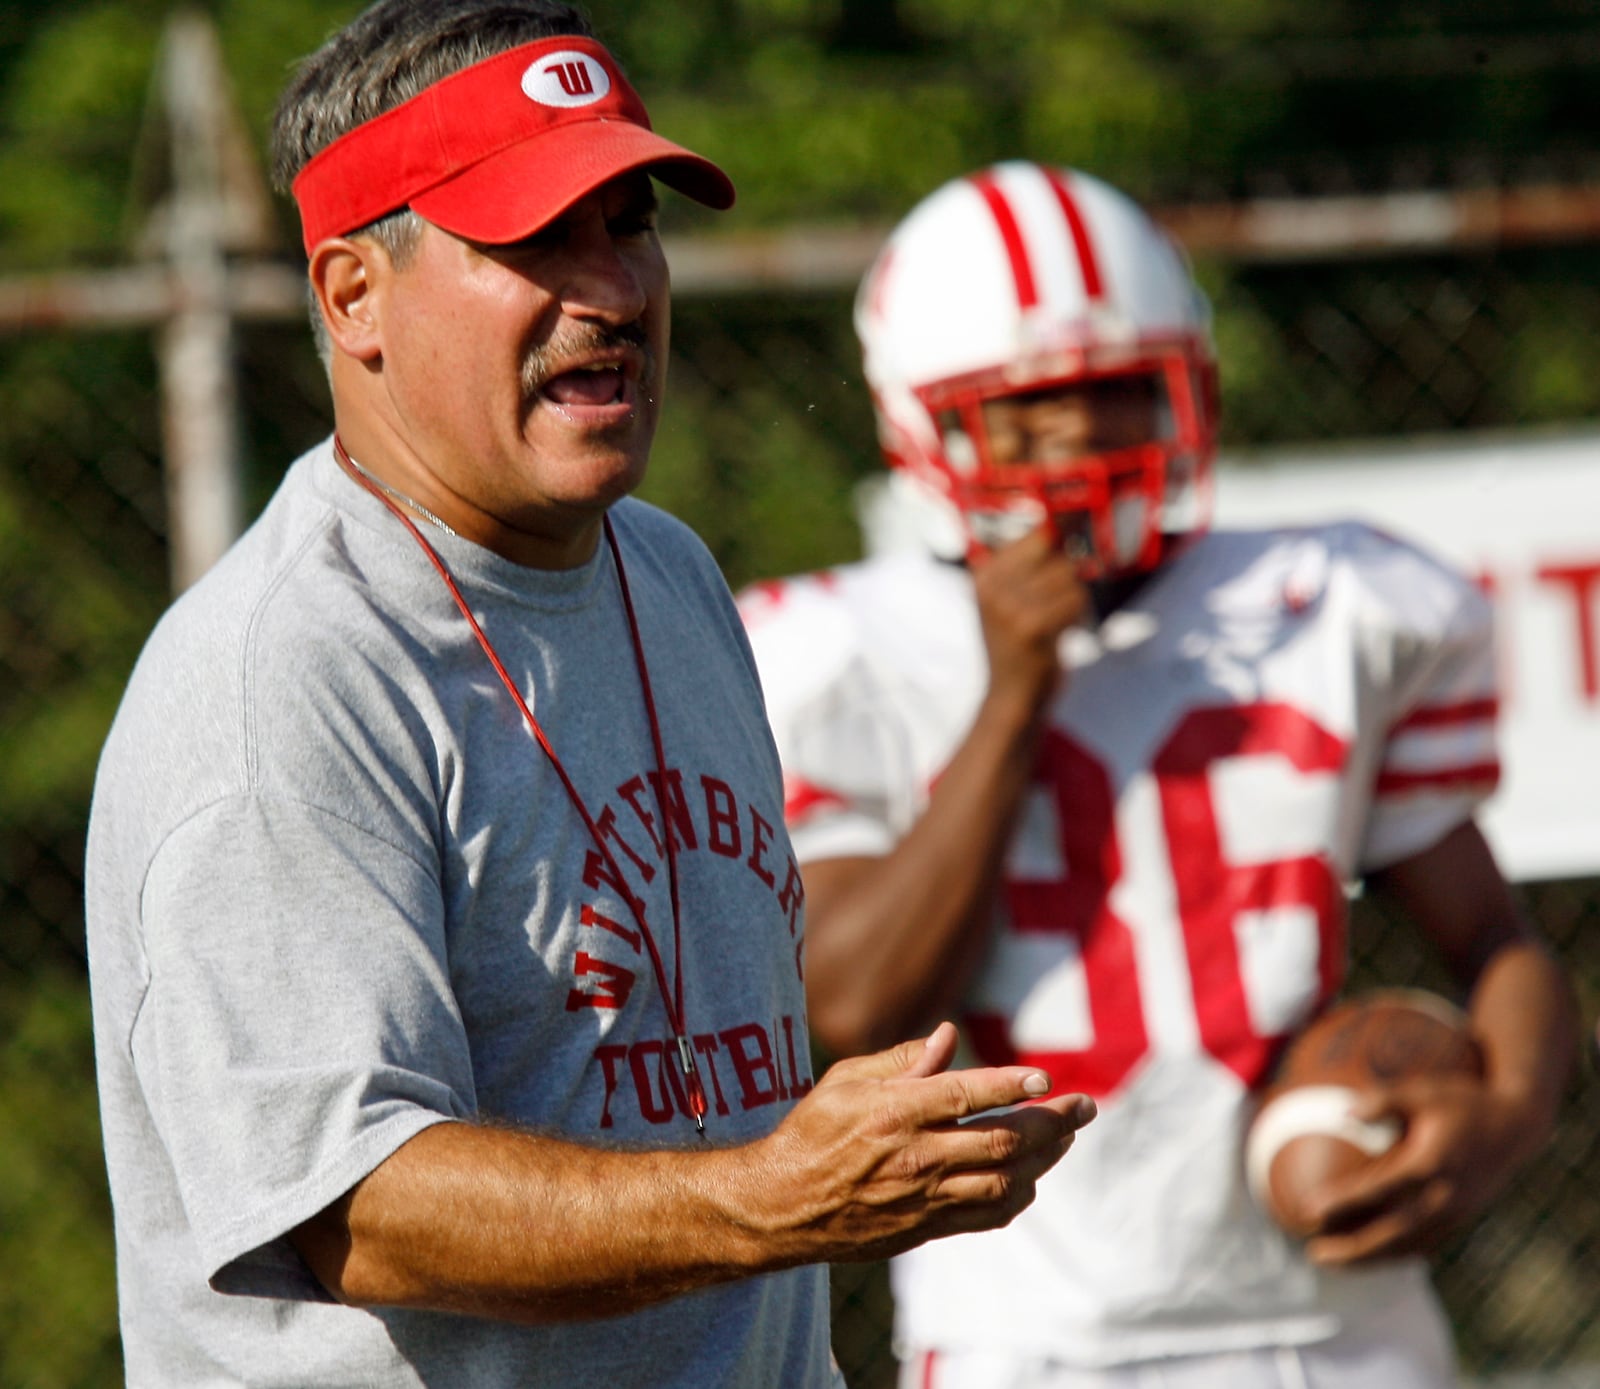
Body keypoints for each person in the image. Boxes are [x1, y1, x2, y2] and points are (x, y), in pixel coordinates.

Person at [83, 14, 1098, 1385]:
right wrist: (774, 1197)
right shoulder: (285, 675)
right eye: (535, 238)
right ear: (350, 296)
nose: (612, 287)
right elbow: (358, 1208)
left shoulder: (665, 569)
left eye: (629, 224)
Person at [738, 161, 1576, 1388]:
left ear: (1191, 385)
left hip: (1337, 1328)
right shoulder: (845, 652)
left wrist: (1502, 1121)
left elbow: (1495, 938)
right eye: (1027, 411)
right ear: (921, 425)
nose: (1080, 436)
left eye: (1120, 390)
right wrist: (1016, 691)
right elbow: (857, 1007)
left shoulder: (1328, 607)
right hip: (1030, 1337)